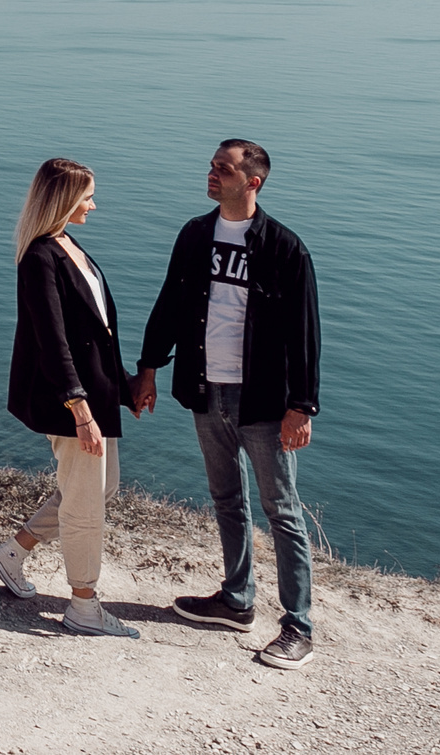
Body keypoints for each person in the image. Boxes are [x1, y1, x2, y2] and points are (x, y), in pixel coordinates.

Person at [132, 139, 321, 670]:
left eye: (223, 168)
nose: (211, 174)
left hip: (262, 399)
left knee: (281, 510)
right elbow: (169, 302)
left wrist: (301, 406)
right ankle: (236, 600)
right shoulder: (195, 234)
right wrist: (148, 367)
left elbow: (305, 334)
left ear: (252, 181)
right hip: (203, 388)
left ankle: (298, 626)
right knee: (225, 498)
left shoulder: (285, 248)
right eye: (213, 166)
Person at [0, 157, 143, 638]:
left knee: (100, 490)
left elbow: (99, 331)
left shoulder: (68, 245)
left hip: (96, 394)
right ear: (62, 199)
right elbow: (52, 340)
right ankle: (83, 605)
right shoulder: (39, 257)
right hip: (72, 401)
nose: (94, 205)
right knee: (85, 505)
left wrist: (125, 386)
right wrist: (80, 410)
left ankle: (13, 552)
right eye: (87, 196)